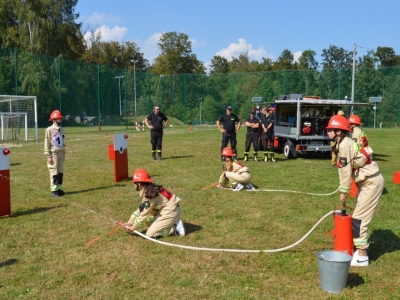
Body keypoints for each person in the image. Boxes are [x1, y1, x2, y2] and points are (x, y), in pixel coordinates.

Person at [326, 115, 384, 267]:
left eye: (330, 130)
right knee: (358, 216)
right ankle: (359, 250)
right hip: (367, 182)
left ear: (339, 132)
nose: (327, 133)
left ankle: (362, 255)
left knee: (359, 219)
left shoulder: (345, 145)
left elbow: (345, 171)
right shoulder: (344, 143)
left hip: (371, 182)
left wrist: (344, 192)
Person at [123, 168, 185, 237]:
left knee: (150, 234)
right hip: (168, 211)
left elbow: (145, 212)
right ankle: (167, 224)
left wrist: (134, 226)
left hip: (171, 213)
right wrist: (130, 222)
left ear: (139, 184)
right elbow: (141, 208)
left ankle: (175, 229)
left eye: (134, 183)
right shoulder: (149, 190)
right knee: (148, 218)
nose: (134, 185)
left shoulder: (150, 194)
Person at [44, 110, 66, 198]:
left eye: (60, 119)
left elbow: (62, 142)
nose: (60, 120)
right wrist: (48, 156)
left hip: (61, 153)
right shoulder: (49, 130)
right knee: (54, 172)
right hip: (54, 154)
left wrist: (64, 153)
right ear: (54, 120)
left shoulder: (62, 129)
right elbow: (47, 143)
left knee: (60, 172)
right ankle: (54, 190)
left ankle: (59, 189)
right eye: (58, 119)